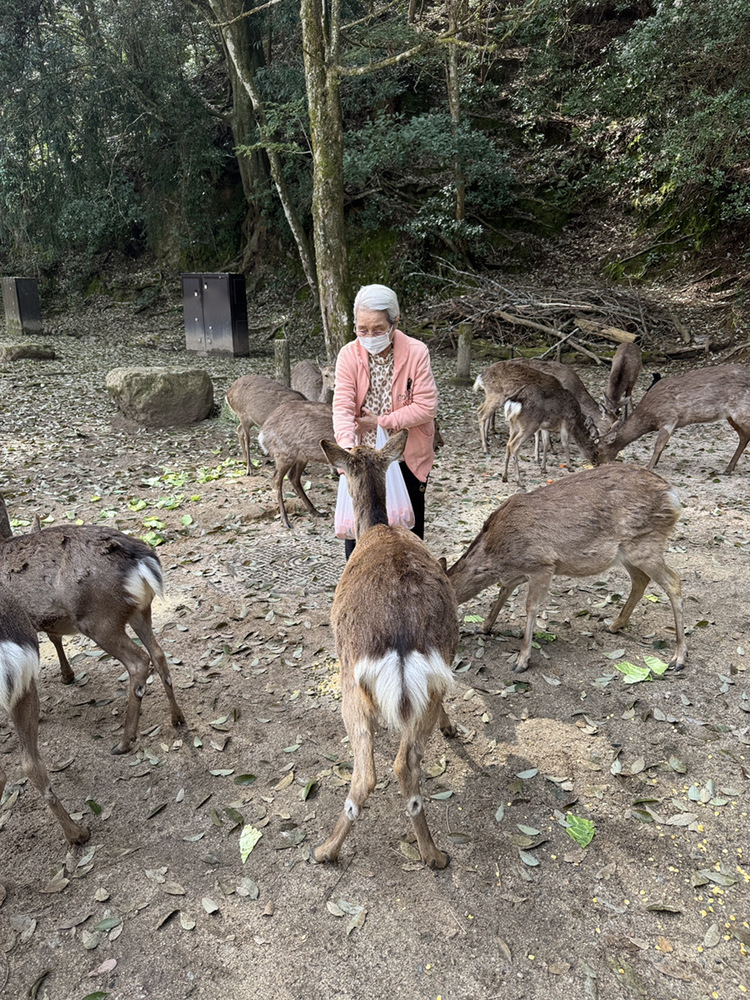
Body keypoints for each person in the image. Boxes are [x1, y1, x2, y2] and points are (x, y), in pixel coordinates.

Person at [332, 283, 439, 558]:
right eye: (361, 329)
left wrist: (381, 421)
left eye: (378, 329)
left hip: (404, 457)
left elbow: (426, 407)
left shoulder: (416, 352)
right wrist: (345, 453)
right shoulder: (348, 355)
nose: (369, 336)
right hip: (363, 458)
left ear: (395, 322)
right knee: (360, 542)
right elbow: (342, 406)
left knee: (407, 542)